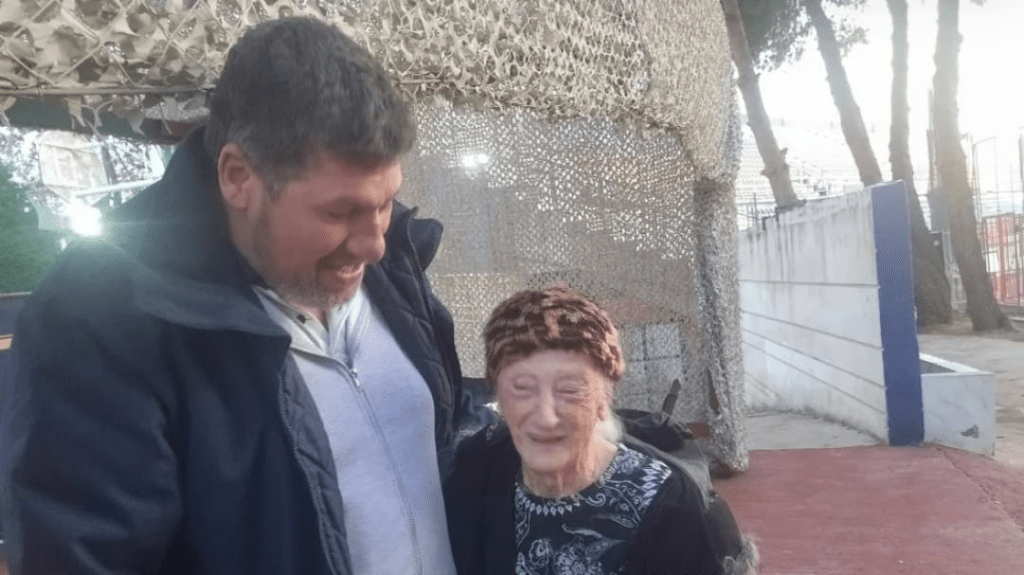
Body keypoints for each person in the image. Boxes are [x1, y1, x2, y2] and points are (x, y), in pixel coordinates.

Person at [0, 17, 478, 575]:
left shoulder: (392, 262)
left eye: (386, 201)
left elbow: (445, 439)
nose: (373, 243)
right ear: (238, 177)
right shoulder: (100, 318)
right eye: (339, 211)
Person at [445, 287, 757, 575]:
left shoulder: (676, 511)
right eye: (522, 388)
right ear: (498, 394)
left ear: (605, 398)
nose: (545, 417)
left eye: (569, 390)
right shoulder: (478, 469)